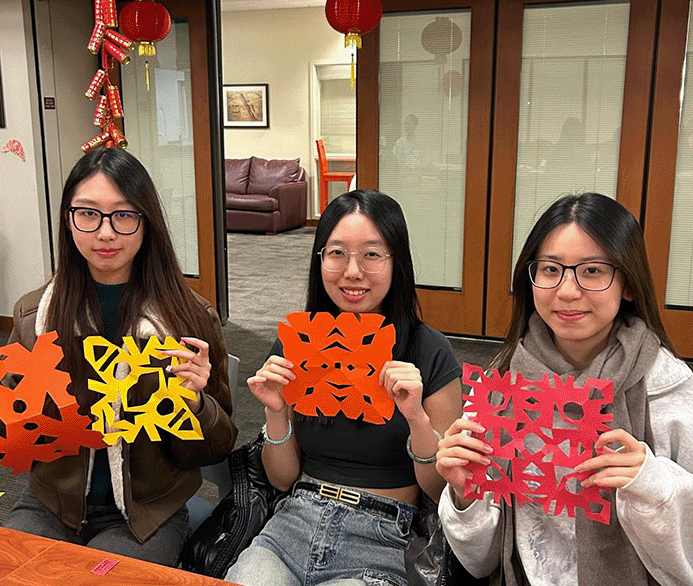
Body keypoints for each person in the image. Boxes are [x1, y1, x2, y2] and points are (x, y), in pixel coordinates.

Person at [436, 192, 693, 586]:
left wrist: (649, 481)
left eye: (592, 271)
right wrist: (463, 494)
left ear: (628, 283)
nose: (568, 291)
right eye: (551, 269)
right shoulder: (502, 384)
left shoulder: (668, 390)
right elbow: (480, 562)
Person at [4, 147, 237, 566]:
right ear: (68, 219)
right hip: (50, 504)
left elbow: (214, 450)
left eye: (124, 215)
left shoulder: (189, 319)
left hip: (146, 514)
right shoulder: (33, 316)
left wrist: (195, 404)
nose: (105, 233)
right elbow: (19, 439)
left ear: (147, 224)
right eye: (88, 213)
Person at [224, 189, 462, 586]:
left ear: (396, 262)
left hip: (382, 535)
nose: (353, 271)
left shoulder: (428, 350)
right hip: (292, 522)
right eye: (336, 253)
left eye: (372, 254)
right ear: (320, 259)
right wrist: (276, 411)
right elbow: (282, 479)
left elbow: (440, 491)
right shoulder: (297, 343)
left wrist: (417, 418)